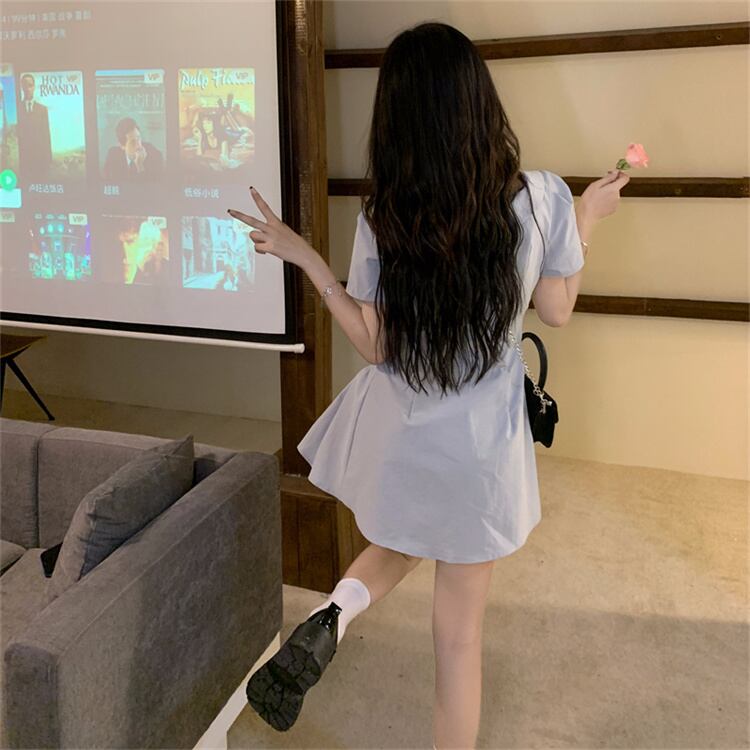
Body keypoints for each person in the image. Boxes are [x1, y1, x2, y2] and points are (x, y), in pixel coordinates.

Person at [234, 22, 630, 748]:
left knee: (404, 534)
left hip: (408, 433)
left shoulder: (387, 215)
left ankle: (335, 613)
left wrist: (308, 260)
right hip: (481, 449)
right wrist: (587, 218)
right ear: (479, 100)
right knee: (458, 641)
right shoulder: (541, 199)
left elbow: (377, 346)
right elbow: (557, 310)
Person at [102, 117, 164, 182]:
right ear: (122, 146)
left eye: (139, 138)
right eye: (133, 142)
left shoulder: (154, 155)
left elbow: (153, 185)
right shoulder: (113, 155)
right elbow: (110, 181)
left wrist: (140, 166)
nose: (139, 145)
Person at [18, 73, 52, 179]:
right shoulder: (17, 109)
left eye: (30, 85)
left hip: (40, 161)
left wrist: (48, 160)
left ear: (34, 87)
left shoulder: (42, 109)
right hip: (24, 162)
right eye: (25, 85)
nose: (28, 88)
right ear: (22, 87)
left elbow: (46, 136)